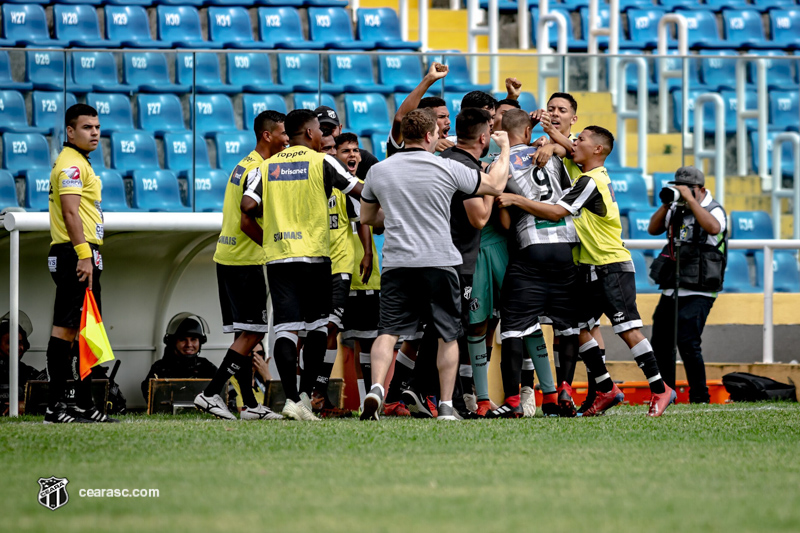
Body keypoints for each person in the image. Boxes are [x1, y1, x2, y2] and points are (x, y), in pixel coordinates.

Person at [358, 108, 510, 421]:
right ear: (430, 136)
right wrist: (506, 148)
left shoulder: (379, 170)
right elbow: (494, 186)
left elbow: (369, 219)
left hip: (398, 262)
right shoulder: (447, 167)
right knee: (448, 335)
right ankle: (445, 405)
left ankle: (375, 388)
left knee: (387, 331)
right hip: (441, 261)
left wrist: (395, 216)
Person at [515, 126, 676, 417]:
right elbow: (568, 149)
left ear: (598, 150)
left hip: (610, 265)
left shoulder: (591, 181)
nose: (574, 142)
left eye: (581, 139)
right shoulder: (584, 174)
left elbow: (555, 212)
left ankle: (660, 388)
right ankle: (605, 387)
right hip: (589, 266)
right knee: (576, 327)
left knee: (628, 331)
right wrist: (552, 138)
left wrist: (516, 200)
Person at [243, 109, 363, 421]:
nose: (324, 137)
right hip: (315, 256)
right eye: (319, 131)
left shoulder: (266, 167)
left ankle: (292, 398)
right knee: (317, 328)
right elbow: (360, 190)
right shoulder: (322, 161)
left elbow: (248, 206)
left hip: (280, 256)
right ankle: (305, 398)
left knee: (285, 328)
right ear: (310, 133)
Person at [194, 110, 287, 422]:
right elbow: (248, 216)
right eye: (283, 134)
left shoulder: (243, 164)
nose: (287, 140)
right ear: (267, 135)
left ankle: (248, 404)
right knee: (251, 333)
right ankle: (210, 394)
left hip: (228, 256)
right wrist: (273, 247)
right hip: (245, 260)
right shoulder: (259, 168)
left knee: (248, 333)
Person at [491, 109, 581, 418]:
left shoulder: (499, 164)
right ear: (528, 134)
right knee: (567, 326)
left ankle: (514, 402)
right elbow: (567, 196)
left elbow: (503, 222)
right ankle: (565, 391)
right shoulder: (553, 156)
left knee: (513, 328)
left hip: (530, 249)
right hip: (566, 246)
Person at [44, 104, 116, 424]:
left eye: (97, 127)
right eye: (87, 127)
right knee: (66, 330)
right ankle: (54, 407)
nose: (95, 132)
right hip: (75, 255)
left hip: (84, 254)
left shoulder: (80, 163)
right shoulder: (71, 166)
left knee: (84, 333)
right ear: (70, 132)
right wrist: (84, 255)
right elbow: (71, 213)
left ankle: (84, 404)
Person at [648, 166, 727, 404]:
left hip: (701, 288)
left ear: (701, 189)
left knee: (688, 341)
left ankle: (699, 396)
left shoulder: (714, 209)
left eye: (688, 189)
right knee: (660, 343)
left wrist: (691, 201)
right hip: (673, 286)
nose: (682, 193)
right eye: (678, 188)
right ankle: (665, 394)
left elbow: (714, 228)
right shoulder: (674, 209)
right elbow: (653, 229)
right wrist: (666, 204)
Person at [299, 132, 363, 418]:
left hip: (339, 265)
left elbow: (362, 217)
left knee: (330, 330)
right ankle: (300, 393)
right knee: (305, 332)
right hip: (311, 264)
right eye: (323, 149)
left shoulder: (344, 186)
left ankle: (318, 394)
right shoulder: (308, 184)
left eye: (330, 150)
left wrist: (370, 253)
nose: (327, 154)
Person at [142, 313, 219, 401]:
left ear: (200, 342)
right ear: (172, 342)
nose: (189, 345)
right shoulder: (160, 368)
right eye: (183, 340)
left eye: (193, 339)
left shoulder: (207, 367)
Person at [387, 62, 453, 156]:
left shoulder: (452, 146)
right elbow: (401, 118)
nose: (448, 121)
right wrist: (429, 79)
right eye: (442, 117)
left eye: (448, 116)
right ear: (424, 120)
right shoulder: (406, 141)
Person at [1, 311, 46, 415]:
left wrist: (25, 405)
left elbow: (47, 393)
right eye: (10, 342)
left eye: (20, 343)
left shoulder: (27, 371)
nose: (17, 347)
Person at [229, 341, 272, 411]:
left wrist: (267, 376)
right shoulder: (232, 379)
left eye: (259, 353)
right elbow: (241, 409)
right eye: (251, 353)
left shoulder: (261, 380)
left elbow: (277, 405)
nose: (255, 358)